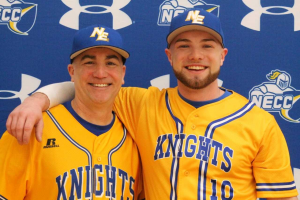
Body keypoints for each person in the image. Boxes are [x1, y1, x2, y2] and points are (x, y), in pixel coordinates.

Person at [5, 8, 298, 200]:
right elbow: (92, 87)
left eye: (206, 46)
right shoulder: (140, 103)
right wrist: (38, 100)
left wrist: (37, 99)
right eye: (184, 46)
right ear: (169, 56)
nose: (195, 55)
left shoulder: (260, 122)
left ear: (222, 55)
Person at [0, 24, 144, 199]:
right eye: (89, 62)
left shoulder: (136, 138)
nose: (100, 73)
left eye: (110, 63)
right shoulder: (30, 128)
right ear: (72, 71)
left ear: (122, 74)